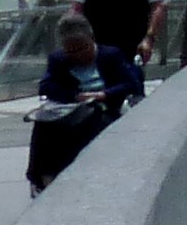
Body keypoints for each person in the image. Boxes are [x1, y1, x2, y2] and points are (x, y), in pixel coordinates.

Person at [26, 11, 144, 192]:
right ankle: (41, 176)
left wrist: (104, 94)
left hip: (104, 107)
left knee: (89, 122)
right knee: (44, 126)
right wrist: (74, 96)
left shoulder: (110, 56)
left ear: (91, 39)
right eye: (71, 51)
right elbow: (47, 86)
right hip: (73, 107)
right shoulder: (58, 60)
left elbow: (130, 84)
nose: (78, 55)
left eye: (82, 48)